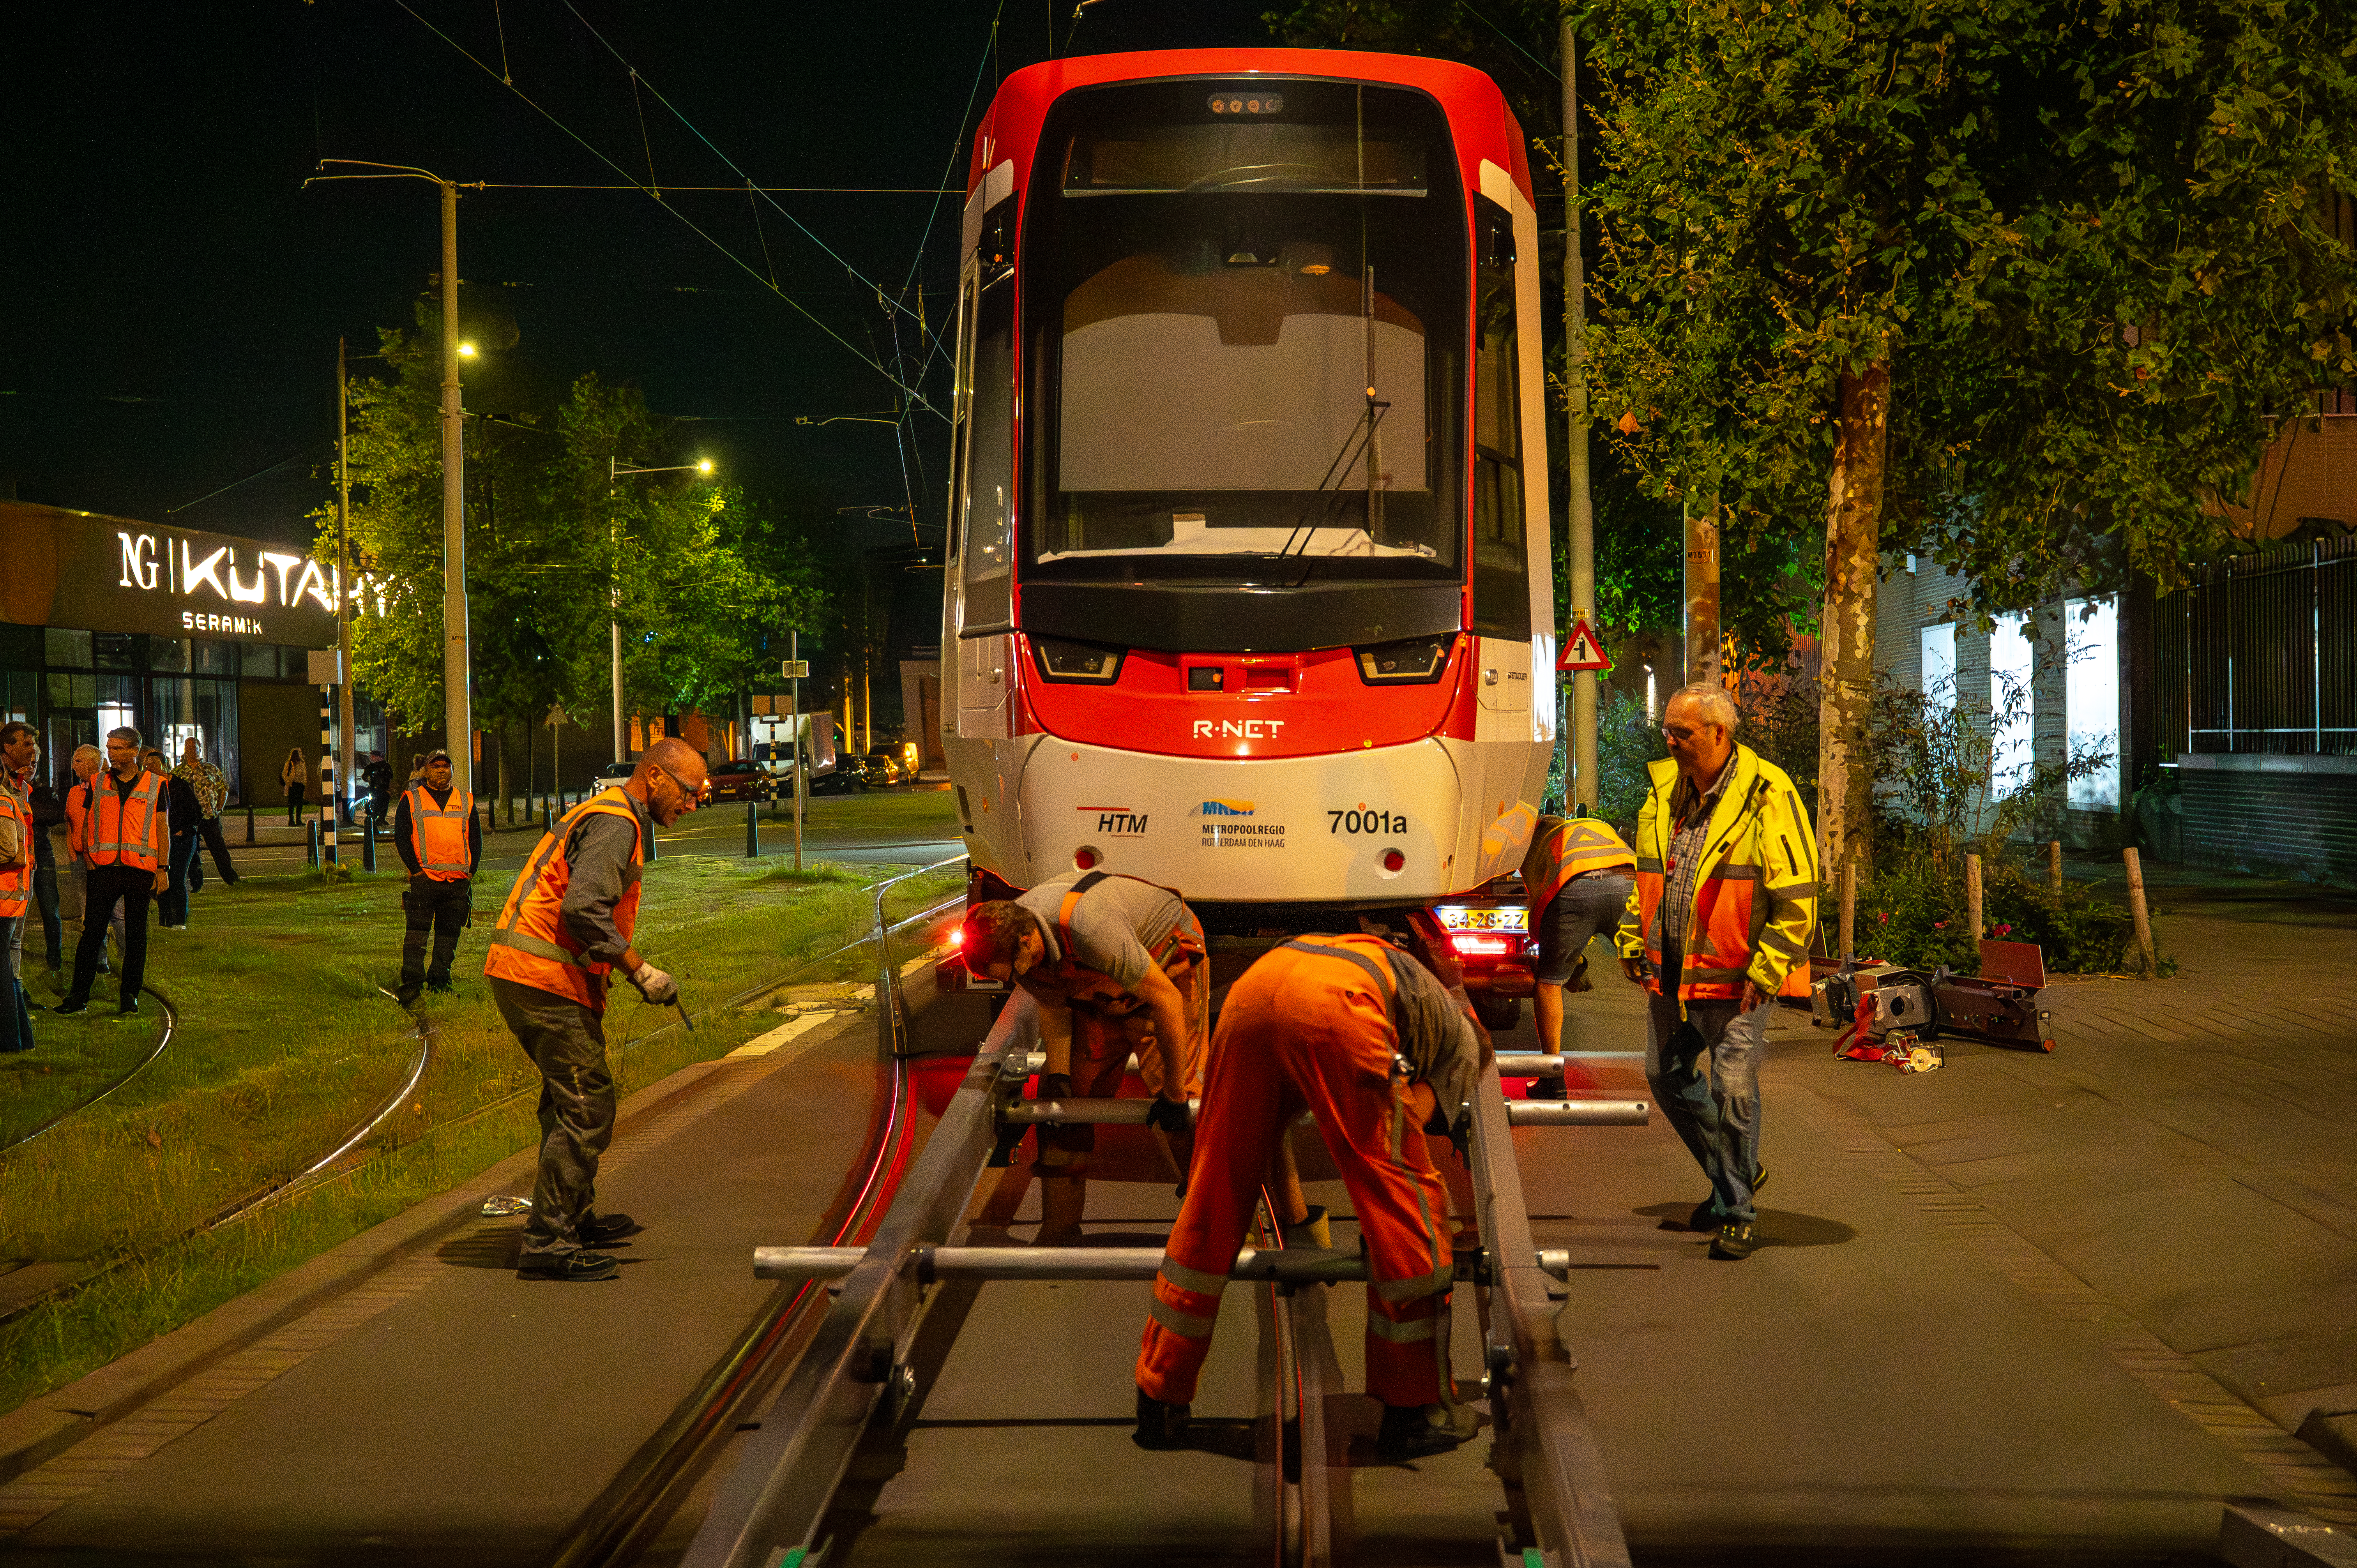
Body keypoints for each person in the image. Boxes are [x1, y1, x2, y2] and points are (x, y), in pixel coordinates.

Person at [1133, 931, 1487, 1461]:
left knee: (1215, 1192)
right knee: (1406, 1203)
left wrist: (1297, 1220)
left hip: (1252, 994)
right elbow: (1413, 1121)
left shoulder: (1395, 981)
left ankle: (1158, 1393)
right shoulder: (1461, 1048)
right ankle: (1418, 1410)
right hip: (1334, 1007)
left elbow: (1271, 1129)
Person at [482, 735, 706, 1282]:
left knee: (568, 1101)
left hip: (537, 973)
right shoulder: (617, 822)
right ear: (654, 777)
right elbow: (583, 909)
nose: (694, 803)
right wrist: (640, 969)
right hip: (542, 976)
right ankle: (549, 1241)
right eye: (689, 791)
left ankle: (572, 1216)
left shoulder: (611, 814)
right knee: (587, 1105)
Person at [1614, 682, 1818, 1261]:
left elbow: (1798, 895)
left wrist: (1770, 967)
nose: (1671, 741)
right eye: (1669, 731)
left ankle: (1738, 1212)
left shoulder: (1766, 793)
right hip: (1672, 975)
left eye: (1683, 732)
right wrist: (1633, 939)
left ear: (1720, 734)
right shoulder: (1664, 791)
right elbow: (1648, 874)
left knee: (1732, 1089)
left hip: (1738, 980)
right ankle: (1737, 1177)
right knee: (1666, 1075)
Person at [961, 870, 1212, 1244]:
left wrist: (1175, 1093)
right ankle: (1059, 1233)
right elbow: (1055, 1005)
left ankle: (1211, 1224)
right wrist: (1060, 1082)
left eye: (1014, 972)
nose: (1014, 981)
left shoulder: (1091, 930)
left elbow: (1167, 1001)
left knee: (1183, 1107)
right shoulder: (1014, 949)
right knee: (1064, 1113)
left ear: (1028, 942)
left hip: (1165, 956)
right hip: (1103, 976)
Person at [1520, 809, 1640, 1097]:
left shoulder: (1535, 845)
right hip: (1626, 881)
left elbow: (1539, 902)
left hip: (1575, 886)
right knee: (1646, 971)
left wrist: (1550, 953)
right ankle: (1672, 1061)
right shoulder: (1595, 825)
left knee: (1549, 984)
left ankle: (1552, 1080)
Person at [57, 727, 169, 1019]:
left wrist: (163, 869)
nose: (111, 753)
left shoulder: (156, 785)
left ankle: (129, 996)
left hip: (138, 870)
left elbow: (161, 828)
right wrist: (89, 859)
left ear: (135, 751)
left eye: (119, 748)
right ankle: (78, 996)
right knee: (91, 934)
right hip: (104, 869)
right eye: (110, 747)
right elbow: (86, 821)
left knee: (135, 936)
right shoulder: (97, 782)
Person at [392, 747, 481, 1003]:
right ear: (426, 771)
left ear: (451, 770)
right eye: (436, 766)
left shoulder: (466, 800)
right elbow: (402, 837)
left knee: (448, 937)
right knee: (416, 938)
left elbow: (475, 838)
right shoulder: (412, 799)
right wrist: (417, 872)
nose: (442, 770)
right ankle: (411, 986)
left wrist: (470, 873)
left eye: (446, 766)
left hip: (457, 883)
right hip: (425, 881)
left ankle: (440, 982)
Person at [61, 744, 118, 977]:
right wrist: (70, 846)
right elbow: (69, 821)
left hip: (103, 861)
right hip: (80, 861)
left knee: (114, 914)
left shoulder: (107, 789)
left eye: (78, 761)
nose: (73, 766)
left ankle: (125, 957)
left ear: (93, 763)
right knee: (88, 914)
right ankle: (100, 959)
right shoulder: (75, 792)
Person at [0, 724, 37, 1052]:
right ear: (7, 748)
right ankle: (17, 1028)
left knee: (10, 948)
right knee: (9, 952)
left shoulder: (15, 787)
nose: (33, 749)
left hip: (13, 884)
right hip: (14, 883)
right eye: (27, 744)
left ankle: (13, 1031)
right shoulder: (8, 786)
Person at [175, 739, 238, 892]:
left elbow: (223, 789)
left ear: (200, 749)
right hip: (189, 820)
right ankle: (196, 883)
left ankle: (230, 878)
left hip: (210, 817)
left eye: (194, 748)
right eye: (188, 748)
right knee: (193, 853)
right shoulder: (177, 772)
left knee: (219, 849)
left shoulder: (211, 769)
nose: (191, 751)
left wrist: (219, 808)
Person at [152, 750, 202, 931]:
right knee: (162, 878)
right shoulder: (149, 788)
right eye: (147, 766)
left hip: (181, 840)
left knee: (177, 879)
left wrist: (183, 830)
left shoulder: (179, 785)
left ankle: (180, 920)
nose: (149, 770)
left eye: (153, 766)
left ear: (165, 767)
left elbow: (196, 812)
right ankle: (165, 919)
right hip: (160, 840)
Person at [28, 777, 66, 971]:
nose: (31, 767)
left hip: (42, 854)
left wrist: (28, 809)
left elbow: (58, 814)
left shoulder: (41, 790)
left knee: (51, 909)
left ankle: (54, 959)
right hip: (20, 856)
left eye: (35, 763)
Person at [281, 747, 308, 826]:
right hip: (293, 785)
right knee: (292, 803)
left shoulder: (302, 763)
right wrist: (289, 781)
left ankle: (298, 820)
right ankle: (291, 821)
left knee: (300, 803)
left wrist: (304, 784)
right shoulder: (290, 763)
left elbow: (304, 774)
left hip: (300, 785)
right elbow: (284, 774)